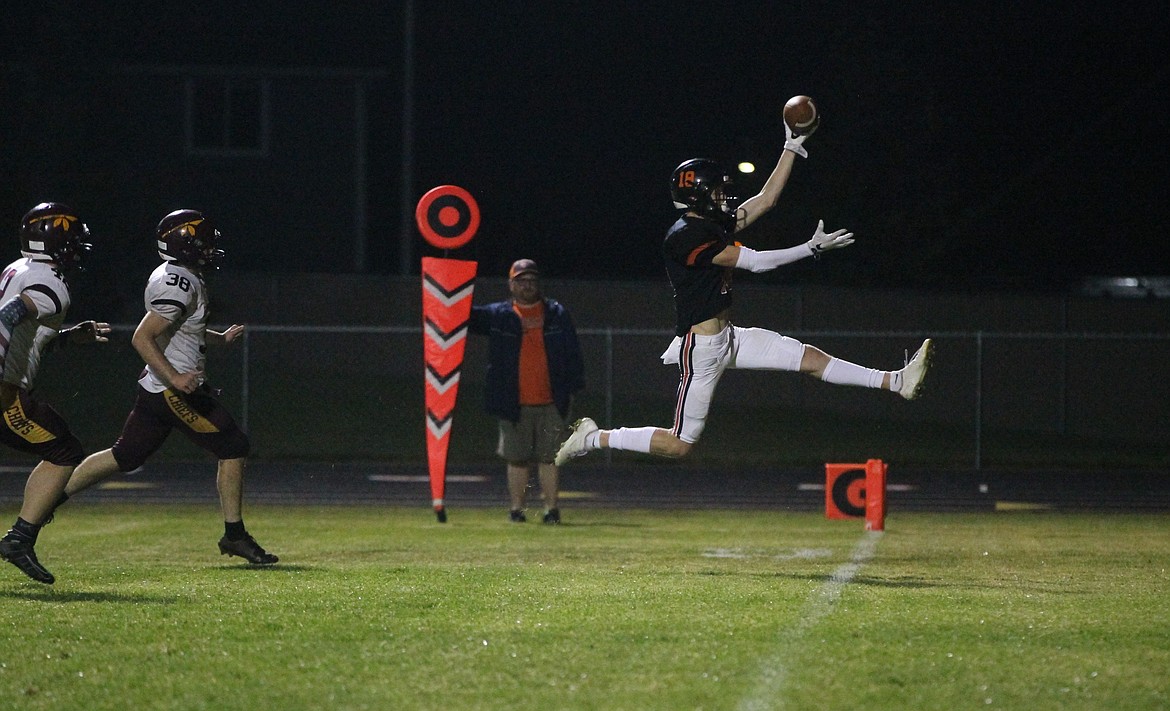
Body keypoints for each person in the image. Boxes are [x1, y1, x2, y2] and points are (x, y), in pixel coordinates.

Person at [555, 113, 933, 465]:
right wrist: (809, 248)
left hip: (729, 338)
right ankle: (594, 438)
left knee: (810, 359)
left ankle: (896, 381)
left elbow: (765, 201)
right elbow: (756, 262)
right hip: (700, 351)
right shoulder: (684, 238)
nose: (725, 197)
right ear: (699, 196)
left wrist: (792, 144)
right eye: (717, 191)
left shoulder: (708, 223)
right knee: (679, 444)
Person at [57, 208, 278, 565]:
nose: (209, 248)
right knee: (233, 445)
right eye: (203, 241)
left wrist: (216, 339)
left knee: (124, 456)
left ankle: (50, 497)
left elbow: (179, 326)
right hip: (174, 389)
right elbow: (143, 337)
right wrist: (175, 378)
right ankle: (234, 534)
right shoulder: (180, 281)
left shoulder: (180, 276)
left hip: (158, 388)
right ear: (185, 244)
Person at [0, 203, 112, 584]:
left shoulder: (19, 268)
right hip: (6, 389)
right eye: (72, 239)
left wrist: (67, 336)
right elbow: (8, 317)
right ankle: (20, 538)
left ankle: (20, 537)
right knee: (63, 451)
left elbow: (29, 332)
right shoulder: (51, 283)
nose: (77, 246)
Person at [468, 259, 585, 523]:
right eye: (521, 280)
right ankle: (516, 510)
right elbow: (466, 316)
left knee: (550, 458)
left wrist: (572, 389)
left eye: (531, 280)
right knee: (517, 459)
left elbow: (572, 353)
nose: (527, 285)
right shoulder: (500, 315)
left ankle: (551, 510)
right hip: (514, 402)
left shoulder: (555, 313)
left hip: (551, 401)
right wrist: (445, 289)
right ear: (511, 284)